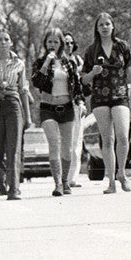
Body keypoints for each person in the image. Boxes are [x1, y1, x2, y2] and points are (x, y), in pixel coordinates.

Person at [80, 12, 131, 194]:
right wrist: (93, 73)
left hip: (120, 94)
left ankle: (122, 173)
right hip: (100, 97)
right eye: (101, 25)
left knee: (123, 136)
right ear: (97, 29)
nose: (105, 27)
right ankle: (111, 180)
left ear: (113, 26)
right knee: (107, 139)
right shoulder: (91, 51)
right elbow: (83, 79)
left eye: (107, 24)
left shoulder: (123, 46)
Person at [31, 27, 86, 196]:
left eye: (56, 41)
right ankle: (57, 184)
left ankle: (65, 181)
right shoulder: (40, 62)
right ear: (45, 43)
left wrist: (81, 102)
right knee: (54, 144)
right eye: (49, 42)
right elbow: (37, 82)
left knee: (67, 148)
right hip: (48, 108)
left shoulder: (69, 63)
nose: (52, 45)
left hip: (67, 108)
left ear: (61, 43)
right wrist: (47, 62)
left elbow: (77, 87)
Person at [0, 29, 31, 200]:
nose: (3, 42)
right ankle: (2, 183)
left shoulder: (19, 63)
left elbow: (23, 89)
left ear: (11, 43)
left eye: (6, 39)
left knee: (14, 148)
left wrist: (28, 116)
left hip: (13, 105)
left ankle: (14, 188)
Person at [62, 32, 85, 188]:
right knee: (64, 141)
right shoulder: (56, 61)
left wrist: (82, 101)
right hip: (61, 103)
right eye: (65, 43)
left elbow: (82, 84)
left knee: (77, 142)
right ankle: (62, 176)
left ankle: (73, 178)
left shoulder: (78, 61)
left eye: (71, 43)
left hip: (76, 104)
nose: (68, 46)